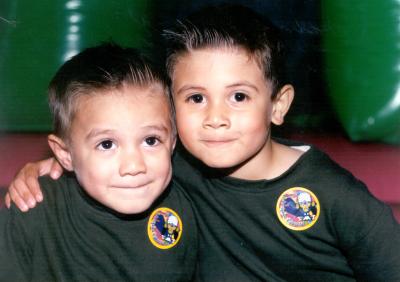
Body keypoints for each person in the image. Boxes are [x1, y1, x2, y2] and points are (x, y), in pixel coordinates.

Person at [6, 4, 400, 281]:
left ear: (278, 105)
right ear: (171, 112)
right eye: (196, 98)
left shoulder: (335, 195)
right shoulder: (164, 168)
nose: (215, 118)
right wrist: (51, 167)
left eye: (239, 97)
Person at [0, 43, 198, 281]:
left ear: (173, 141)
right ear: (64, 155)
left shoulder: (190, 202)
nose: (134, 166)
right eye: (106, 144)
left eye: (151, 140)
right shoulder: (32, 211)